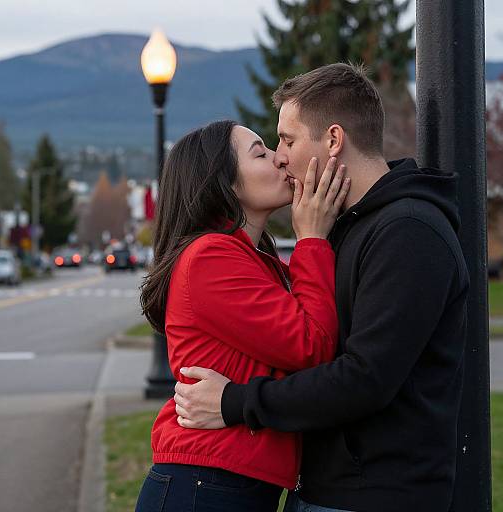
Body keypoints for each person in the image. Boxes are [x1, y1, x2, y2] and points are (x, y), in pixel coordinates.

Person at [173, 63, 470, 512]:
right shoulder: (341, 228)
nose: (280, 156)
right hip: (321, 488)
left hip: (376, 494)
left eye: (288, 140)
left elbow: (363, 377)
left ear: (333, 140)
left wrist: (235, 401)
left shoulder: (409, 231)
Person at [135, 119, 351, 512]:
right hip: (205, 486)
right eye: (261, 153)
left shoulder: (254, 261)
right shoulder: (209, 258)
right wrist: (312, 239)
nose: (281, 158)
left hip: (228, 484)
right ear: (226, 185)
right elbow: (313, 344)